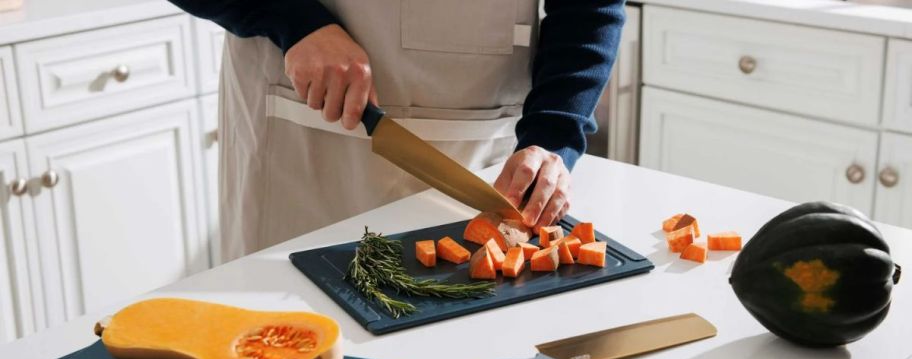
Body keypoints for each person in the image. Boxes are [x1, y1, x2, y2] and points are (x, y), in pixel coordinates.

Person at [168, 0, 625, 261]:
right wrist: (292, 20)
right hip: (295, 134)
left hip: (483, 148)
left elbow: (590, 6)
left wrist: (554, 132)